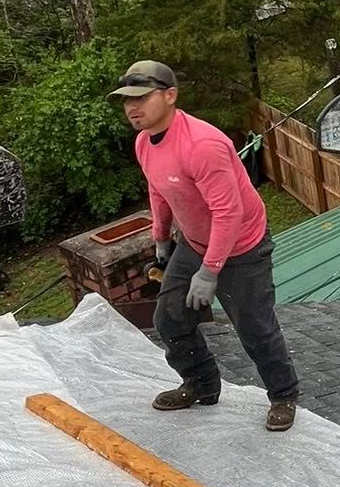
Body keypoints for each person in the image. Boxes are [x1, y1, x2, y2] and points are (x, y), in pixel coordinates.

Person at [111, 60, 299, 428]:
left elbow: (228, 213)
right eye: (125, 100)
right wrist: (162, 238)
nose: (132, 108)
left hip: (244, 247)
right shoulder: (144, 142)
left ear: (169, 95)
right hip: (195, 241)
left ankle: (284, 394)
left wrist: (210, 271)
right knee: (169, 318)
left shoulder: (203, 145)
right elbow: (159, 189)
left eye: (141, 98)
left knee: (256, 330)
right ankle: (201, 384)